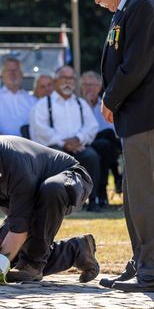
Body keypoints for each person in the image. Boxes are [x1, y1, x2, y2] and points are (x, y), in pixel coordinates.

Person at [85, 0, 154, 293]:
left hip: (148, 111)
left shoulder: (142, 5)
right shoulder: (134, 5)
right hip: (142, 112)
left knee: (144, 194)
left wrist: (110, 98)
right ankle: (142, 263)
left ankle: (153, 272)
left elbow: (136, 64)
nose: (97, 1)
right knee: (134, 194)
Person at [0, 128, 99, 283]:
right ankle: (77, 250)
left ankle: (33, 265)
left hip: (69, 180)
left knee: (50, 189)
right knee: (9, 259)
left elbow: (19, 228)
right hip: (31, 196)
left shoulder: (15, 163)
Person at [29, 66, 102, 211]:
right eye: (64, 78)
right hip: (53, 147)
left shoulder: (80, 104)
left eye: (71, 78)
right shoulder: (44, 104)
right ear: (56, 81)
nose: (68, 82)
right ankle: (57, 202)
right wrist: (63, 142)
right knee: (57, 157)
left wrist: (78, 139)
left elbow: (92, 126)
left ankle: (93, 200)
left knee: (91, 156)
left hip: (78, 146)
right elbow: (40, 129)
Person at [80, 70, 123, 202]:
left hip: (105, 144)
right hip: (84, 142)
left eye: (92, 85)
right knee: (107, 140)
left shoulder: (105, 104)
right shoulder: (77, 105)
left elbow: (112, 128)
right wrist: (87, 105)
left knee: (106, 143)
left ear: (99, 87)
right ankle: (117, 176)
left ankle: (103, 192)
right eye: (86, 85)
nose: (89, 89)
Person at [0, 56, 36, 136]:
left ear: (22, 74)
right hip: (1, 145)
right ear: (2, 75)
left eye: (15, 70)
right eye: (8, 70)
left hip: (28, 145)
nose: (12, 74)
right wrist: (1, 140)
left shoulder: (32, 100)